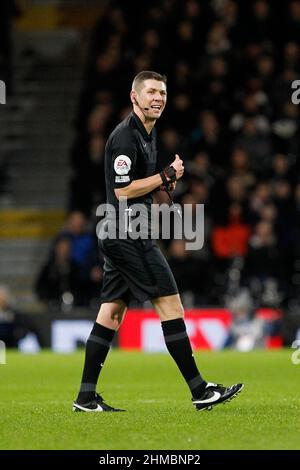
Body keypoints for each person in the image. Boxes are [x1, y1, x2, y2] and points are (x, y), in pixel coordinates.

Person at [73, 71, 244, 412]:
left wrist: (163, 182)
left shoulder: (147, 134)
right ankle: (200, 391)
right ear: (134, 97)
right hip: (129, 234)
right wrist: (164, 176)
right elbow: (122, 191)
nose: (159, 98)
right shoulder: (125, 137)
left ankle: (86, 397)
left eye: (163, 93)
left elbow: (137, 185)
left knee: (111, 313)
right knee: (171, 306)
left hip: (121, 233)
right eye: (151, 91)